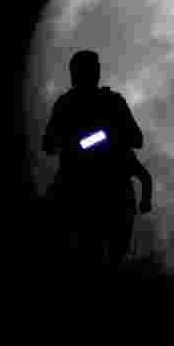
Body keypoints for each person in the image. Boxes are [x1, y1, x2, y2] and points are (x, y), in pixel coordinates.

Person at [42, 50, 146, 270]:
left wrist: (113, 137)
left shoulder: (112, 102)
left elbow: (137, 139)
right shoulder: (66, 104)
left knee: (109, 255)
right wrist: (74, 142)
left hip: (111, 189)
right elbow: (48, 145)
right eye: (83, 71)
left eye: (88, 71)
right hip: (78, 189)